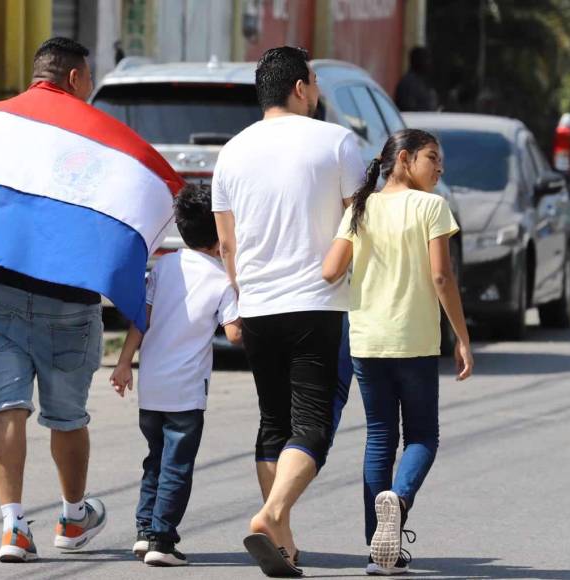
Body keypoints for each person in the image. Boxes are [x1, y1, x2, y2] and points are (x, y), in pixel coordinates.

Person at [212, 46, 366, 577]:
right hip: (317, 304)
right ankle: (271, 513)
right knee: (313, 425)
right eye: (316, 83)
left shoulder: (231, 152)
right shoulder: (337, 141)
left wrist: (234, 302)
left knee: (274, 420)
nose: (318, 92)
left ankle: (283, 538)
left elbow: (226, 244)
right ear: (299, 87)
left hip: (256, 306)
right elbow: (358, 225)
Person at [0, 37, 107, 564]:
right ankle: (73, 518)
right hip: (69, 300)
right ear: (75, 78)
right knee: (67, 417)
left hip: (2, 291)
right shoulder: (94, 135)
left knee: (6, 408)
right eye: (90, 78)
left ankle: (13, 527)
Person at [322, 129, 473, 575]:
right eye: (433, 157)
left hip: (366, 340)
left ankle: (379, 551)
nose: (440, 167)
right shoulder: (431, 207)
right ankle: (400, 500)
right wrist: (462, 337)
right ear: (404, 159)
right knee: (423, 436)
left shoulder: (361, 208)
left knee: (379, 438)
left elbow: (331, 270)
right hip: (414, 341)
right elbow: (442, 278)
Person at [110, 184, 242, 567]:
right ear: (220, 233)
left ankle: (144, 530)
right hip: (186, 392)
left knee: (155, 459)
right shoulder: (221, 280)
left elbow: (141, 322)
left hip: (151, 387)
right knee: (176, 466)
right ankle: (162, 540)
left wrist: (123, 363)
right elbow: (235, 334)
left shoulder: (162, 268)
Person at [394, 46, 438, 112]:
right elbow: (409, 109)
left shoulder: (421, 81)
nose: (429, 63)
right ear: (417, 61)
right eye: (426, 59)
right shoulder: (408, 83)